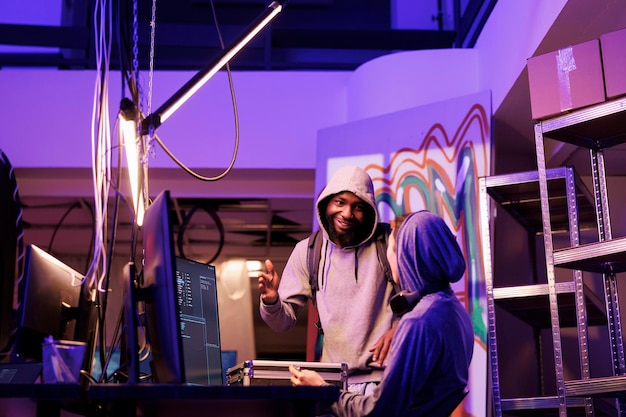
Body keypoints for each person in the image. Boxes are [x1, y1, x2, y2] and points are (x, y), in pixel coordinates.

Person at [289, 210, 475, 417]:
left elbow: (378, 412)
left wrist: (322, 390)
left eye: (393, 247)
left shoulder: (418, 322)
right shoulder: (455, 312)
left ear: (408, 255)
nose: (388, 254)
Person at [258, 165, 399, 392]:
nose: (347, 214)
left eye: (358, 207)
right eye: (340, 202)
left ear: (370, 211)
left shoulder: (389, 243)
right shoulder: (308, 251)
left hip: (385, 381)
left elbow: (426, 299)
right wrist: (272, 301)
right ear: (326, 203)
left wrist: (400, 329)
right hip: (331, 383)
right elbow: (283, 322)